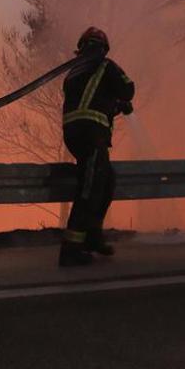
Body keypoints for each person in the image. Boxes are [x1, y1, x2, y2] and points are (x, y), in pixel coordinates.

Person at [58, 26, 134, 267]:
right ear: (102, 48)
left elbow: (90, 100)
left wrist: (115, 106)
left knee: (106, 179)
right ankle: (71, 249)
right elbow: (128, 88)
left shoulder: (73, 73)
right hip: (91, 134)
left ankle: (92, 237)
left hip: (76, 134)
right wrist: (122, 99)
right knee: (90, 188)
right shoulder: (106, 65)